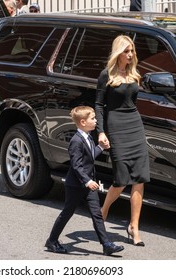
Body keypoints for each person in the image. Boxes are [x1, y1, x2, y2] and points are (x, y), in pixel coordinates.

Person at [45, 106, 124, 256]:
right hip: (76, 185)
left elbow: (90, 156)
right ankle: (52, 241)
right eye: (93, 118)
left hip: (88, 184)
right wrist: (87, 181)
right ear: (83, 122)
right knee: (67, 212)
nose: (95, 121)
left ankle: (106, 244)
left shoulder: (87, 137)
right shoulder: (76, 141)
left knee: (97, 214)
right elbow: (76, 165)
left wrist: (100, 147)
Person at [95, 35, 150, 247]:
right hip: (116, 127)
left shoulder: (134, 74)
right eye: (127, 51)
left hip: (135, 126)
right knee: (121, 179)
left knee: (140, 178)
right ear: (118, 52)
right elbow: (99, 105)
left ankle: (134, 226)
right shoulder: (106, 75)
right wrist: (101, 132)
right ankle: (104, 210)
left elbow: (132, 103)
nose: (130, 55)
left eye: (132, 51)